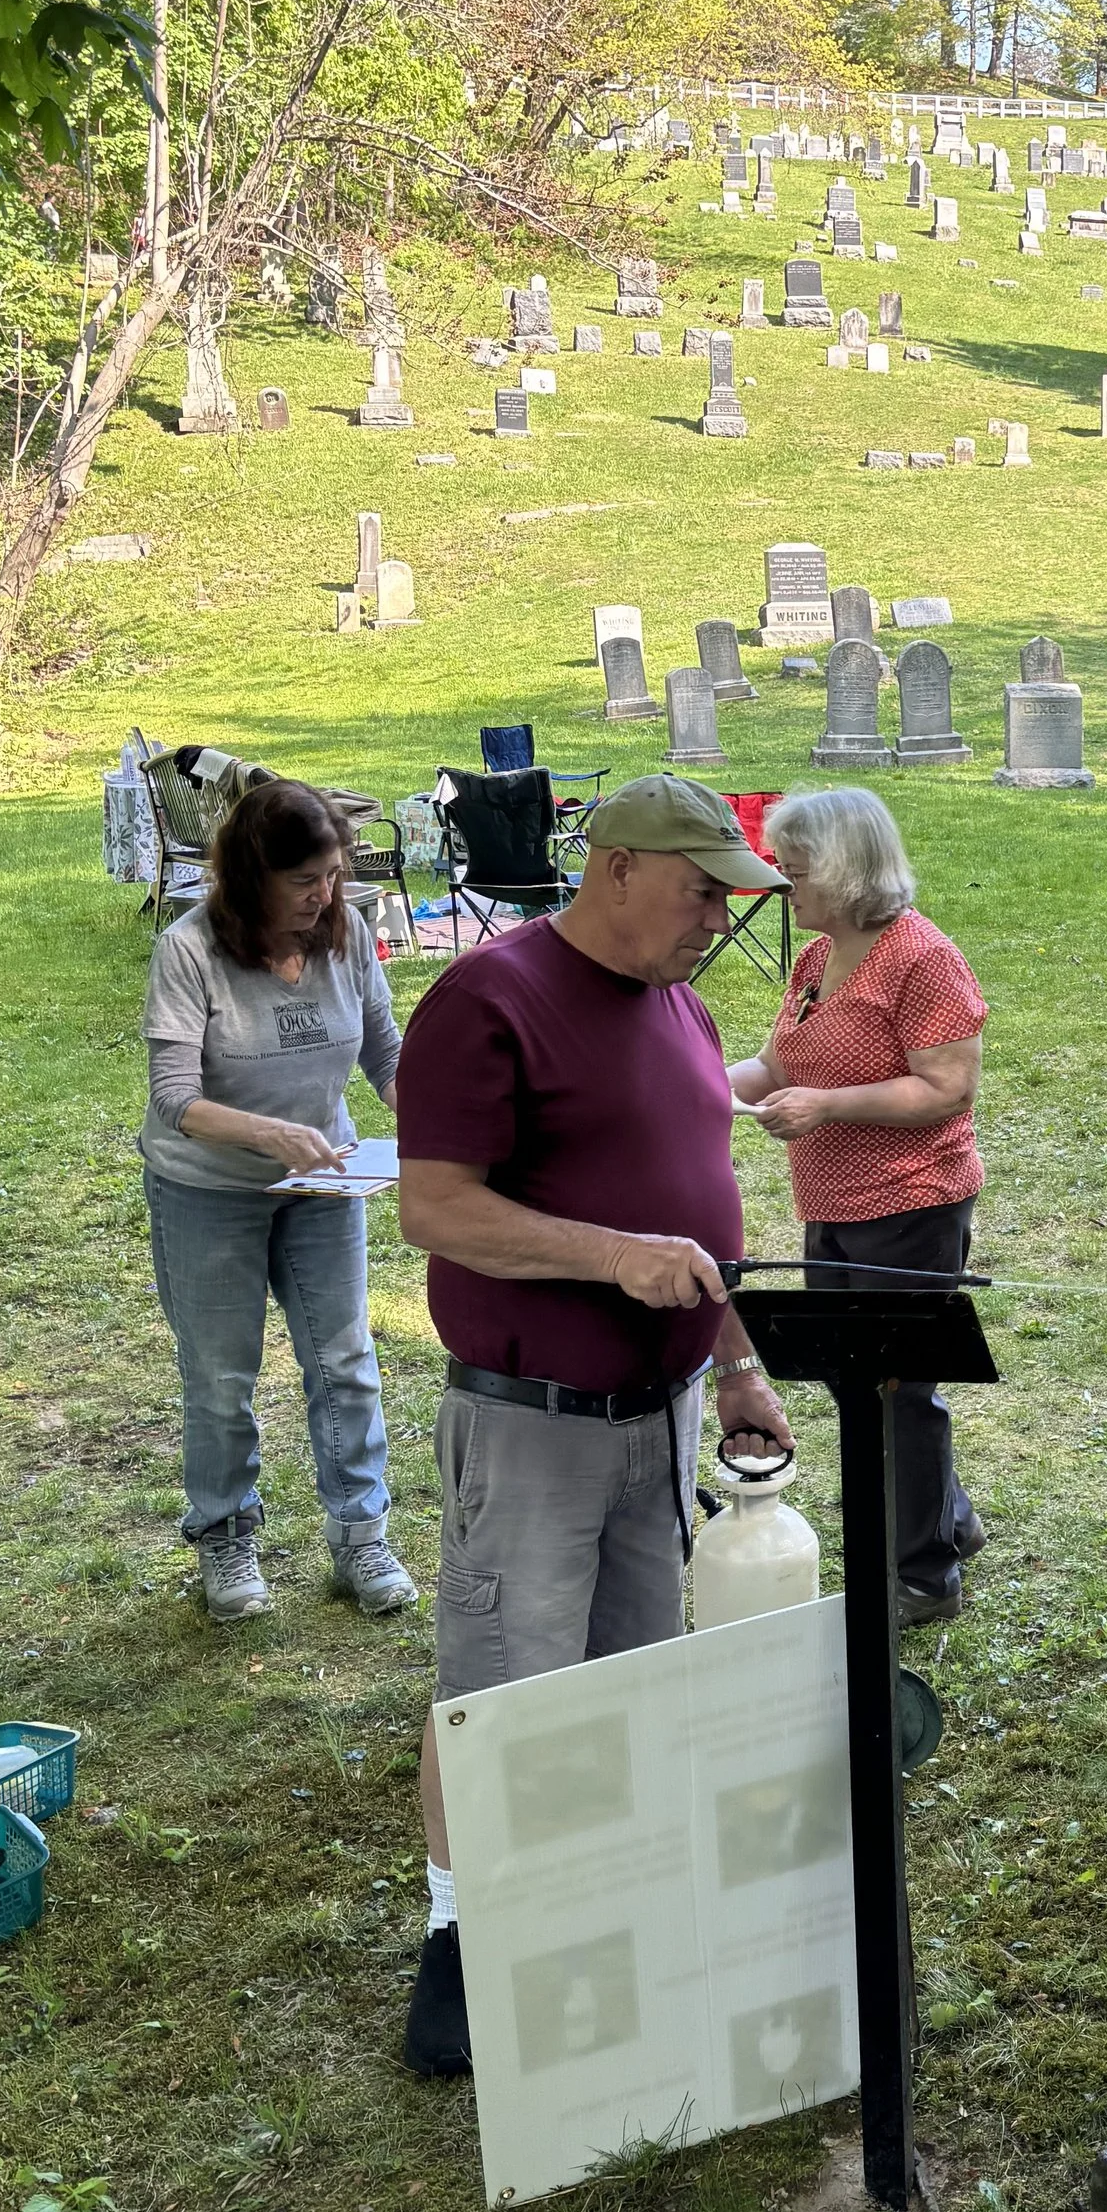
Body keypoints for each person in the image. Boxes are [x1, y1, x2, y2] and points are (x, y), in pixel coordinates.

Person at [391, 776, 797, 2077]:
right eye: (700, 890)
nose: (716, 919)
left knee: (628, 1682)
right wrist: (610, 1259)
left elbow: (704, 1196)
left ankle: (593, 1914)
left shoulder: (681, 1007)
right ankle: (459, 1943)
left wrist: (734, 1362)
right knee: (504, 1690)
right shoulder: (488, 1002)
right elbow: (437, 1210)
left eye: (731, 898)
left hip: (663, 1411)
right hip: (534, 1422)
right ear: (614, 867)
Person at [139, 778, 414, 1625]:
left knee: (345, 1361)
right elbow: (174, 1098)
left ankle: (360, 1534)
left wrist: (436, 1124)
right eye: (305, 882)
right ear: (251, 875)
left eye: (332, 875)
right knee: (221, 1376)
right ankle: (225, 1533)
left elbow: (384, 1051)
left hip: (324, 1181)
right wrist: (267, 1134)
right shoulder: (190, 951)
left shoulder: (350, 934)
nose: (324, 895)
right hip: (207, 1189)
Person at [726, 788, 988, 1628]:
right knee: (854, 1381)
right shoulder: (816, 956)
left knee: (900, 1388)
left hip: (912, 1204)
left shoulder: (921, 958)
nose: (781, 880)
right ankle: (945, 1516)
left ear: (845, 869)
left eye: (796, 868)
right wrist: (689, 1087)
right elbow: (773, 1065)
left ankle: (923, 1573)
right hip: (833, 1203)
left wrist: (829, 1106)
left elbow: (948, 1087)